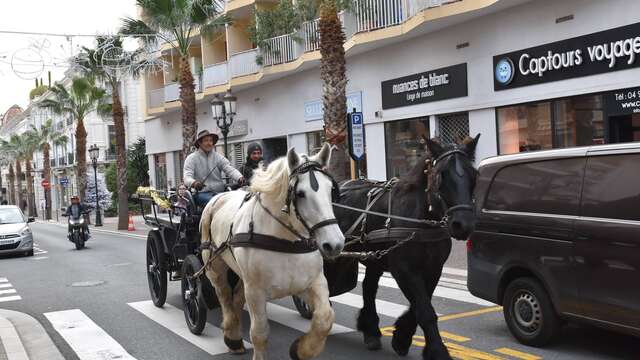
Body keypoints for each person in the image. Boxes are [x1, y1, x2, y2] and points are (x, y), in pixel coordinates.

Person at [183, 130, 244, 207]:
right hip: (201, 194)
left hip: (219, 192)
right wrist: (195, 183)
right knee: (216, 202)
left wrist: (239, 177)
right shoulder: (191, 158)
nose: (209, 143)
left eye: (211, 141)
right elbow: (187, 177)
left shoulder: (218, 157)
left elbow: (229, 169)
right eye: (206, 141)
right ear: (199, 143)